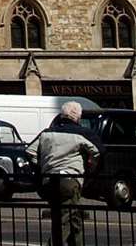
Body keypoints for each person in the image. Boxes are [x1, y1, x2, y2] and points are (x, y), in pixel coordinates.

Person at [29, 101, 98, 246]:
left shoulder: (47, 133)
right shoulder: (82, 133)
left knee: (70, 217)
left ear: (62, 114)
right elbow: (99, 152)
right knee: (66, 219)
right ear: (78, 117)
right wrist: (91, 171)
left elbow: (29, 151)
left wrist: (42, 167)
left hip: (49, 180)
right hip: (70, 179)